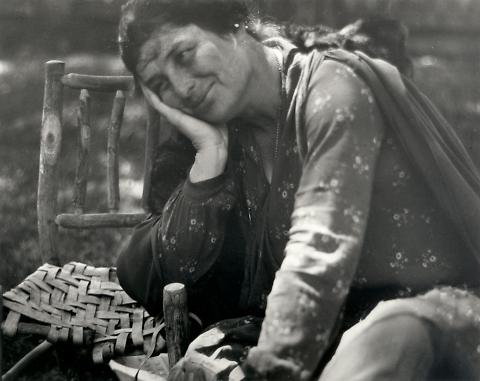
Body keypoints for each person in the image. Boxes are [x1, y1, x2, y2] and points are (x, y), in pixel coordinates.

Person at [116, 0, 480, 380]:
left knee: (389, 336)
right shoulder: (231, 135)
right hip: (332, 333)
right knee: (207, 358)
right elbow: (158, 276)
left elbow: (318, 255)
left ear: (232, 22)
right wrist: (211, 155)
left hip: (424, 320)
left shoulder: (332, 90)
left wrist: (270, 369)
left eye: (185, 54)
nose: (183, 87)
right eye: (160, 86)